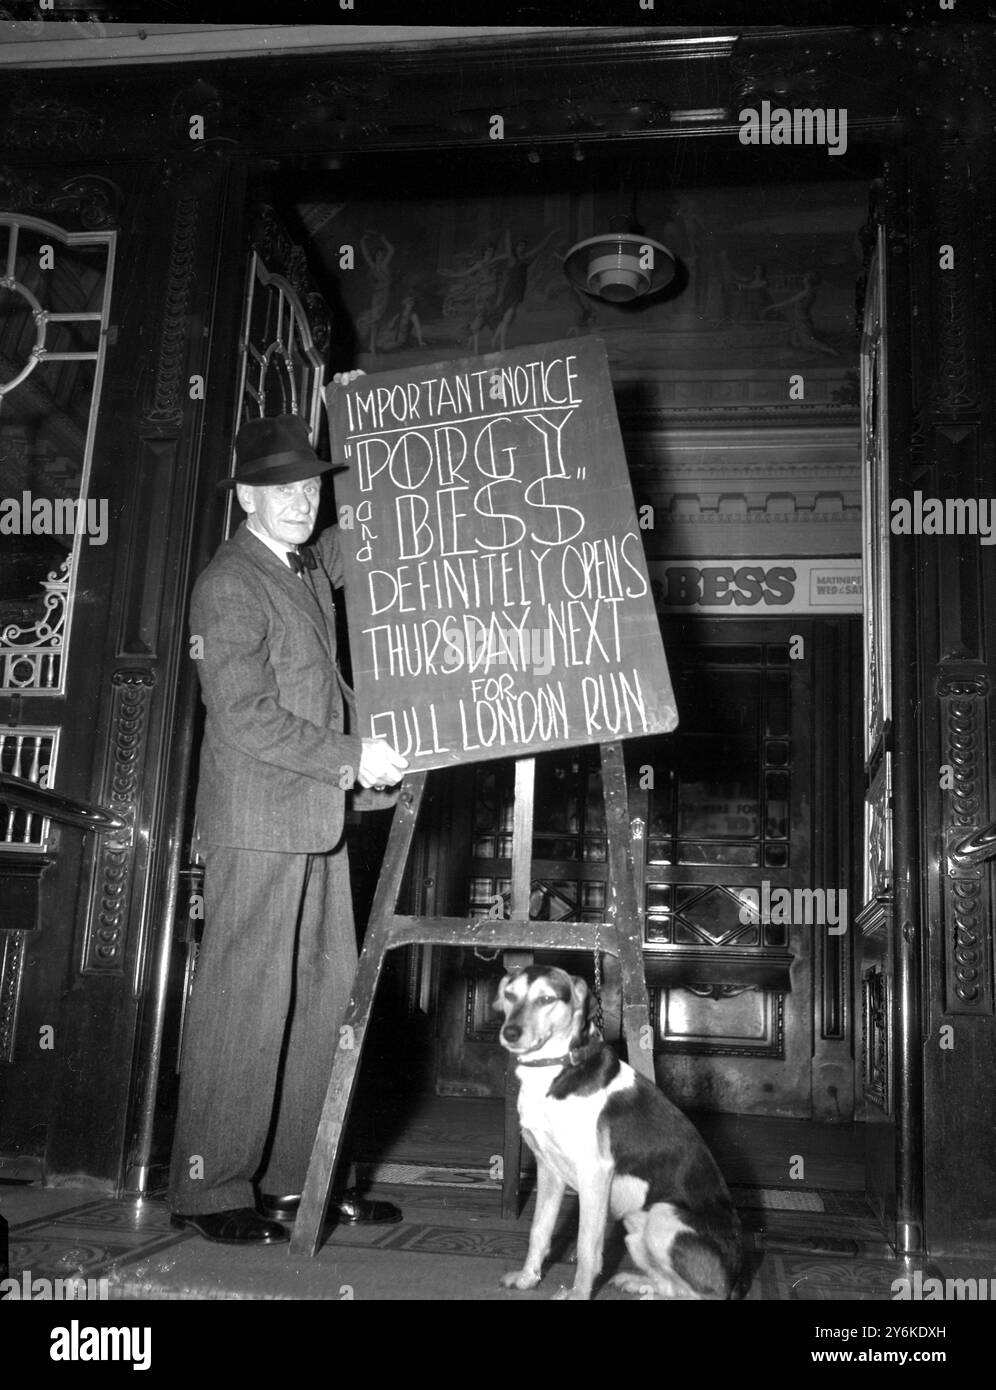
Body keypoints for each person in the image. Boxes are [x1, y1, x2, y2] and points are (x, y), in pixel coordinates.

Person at [168, 402, 408, 1245]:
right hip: (258, 820)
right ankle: (210, 1189)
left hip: (316, 822)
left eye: (310, 486)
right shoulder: (230, 582)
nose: (302, 500)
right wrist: (353, 754)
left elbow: (368, 535)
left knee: (321, 1007)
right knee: (246, 1005)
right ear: (244, 497)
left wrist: (418, 462)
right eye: (281, 488)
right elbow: (245, 718)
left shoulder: (305, 566)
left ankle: (299, 1183)